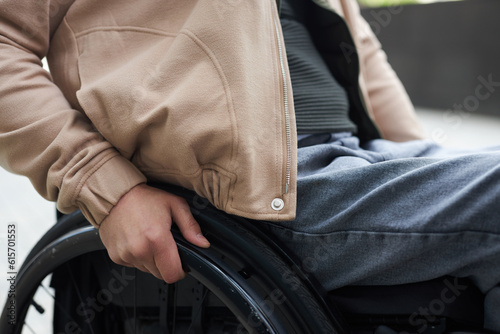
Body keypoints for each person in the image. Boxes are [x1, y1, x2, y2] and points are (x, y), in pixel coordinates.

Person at [0, 0, 498, 330]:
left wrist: (430, 177)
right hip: (254, 188)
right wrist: (106, 189)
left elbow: (360, 46)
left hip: (352, 158)